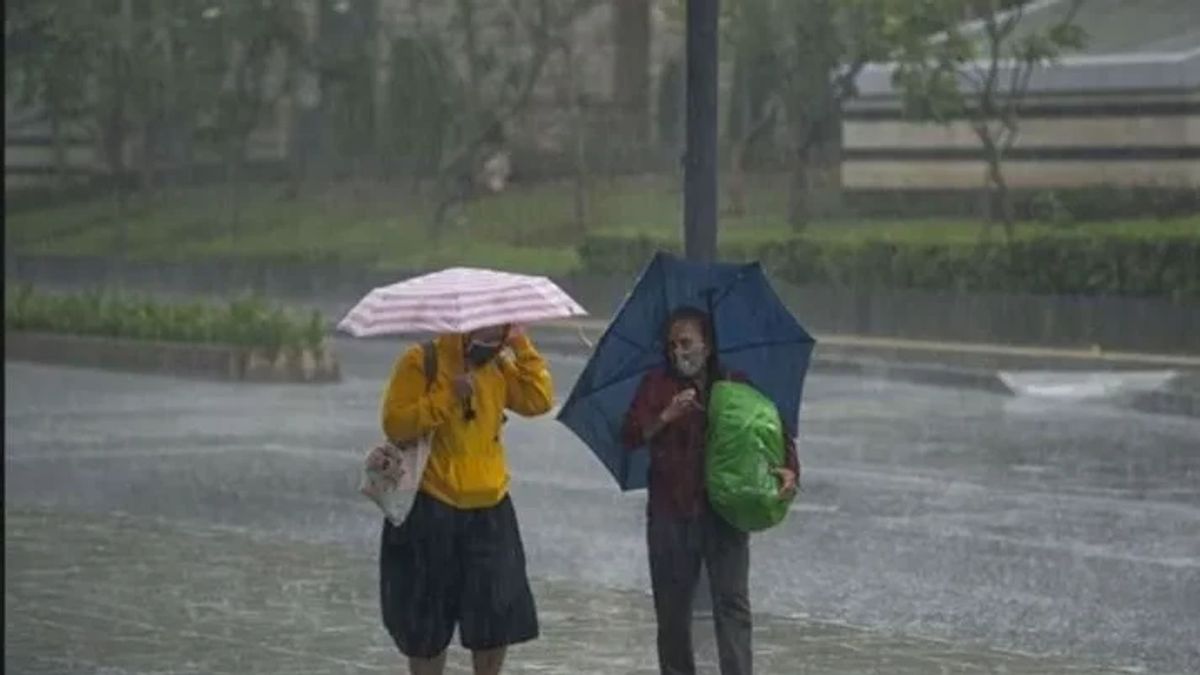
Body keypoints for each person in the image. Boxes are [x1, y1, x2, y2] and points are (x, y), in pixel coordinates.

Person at [621, 306, 800, 675]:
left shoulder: (735, 384)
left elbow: (771, 430)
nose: (678, 352)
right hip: (670, 514)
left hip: (723, 513)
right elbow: (631, 434)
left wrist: (789, 470)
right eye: (671, 345)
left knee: (732, 605)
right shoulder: (657, 386)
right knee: (672, 614)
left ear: (707, 344)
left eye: (686, 342)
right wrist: (665, 417)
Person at [374, 323, 553, 675]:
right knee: (425, 623)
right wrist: (447, 397)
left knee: (495, 619)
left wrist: (522, 346)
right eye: (484, 331)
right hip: (431, 506)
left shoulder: (500, 365)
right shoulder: (421, 361)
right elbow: (396, 423)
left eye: (500, 331)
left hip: (490, 508)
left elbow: (538, 400)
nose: (491, 340)